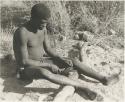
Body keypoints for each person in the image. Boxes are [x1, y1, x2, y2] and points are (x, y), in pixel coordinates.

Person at [13, 3, 119, 96]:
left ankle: (103, 79)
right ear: (33, 18)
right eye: (42, 22)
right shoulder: (22, 32)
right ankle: (82, 87)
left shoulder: (42, 28)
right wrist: (49, 65)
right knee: (44, 72)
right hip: (27, 69)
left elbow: (48, 49)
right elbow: (24, 61)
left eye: (46, 23)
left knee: (73, 61)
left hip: (41, 60)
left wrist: (60, 58)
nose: (45, 25)